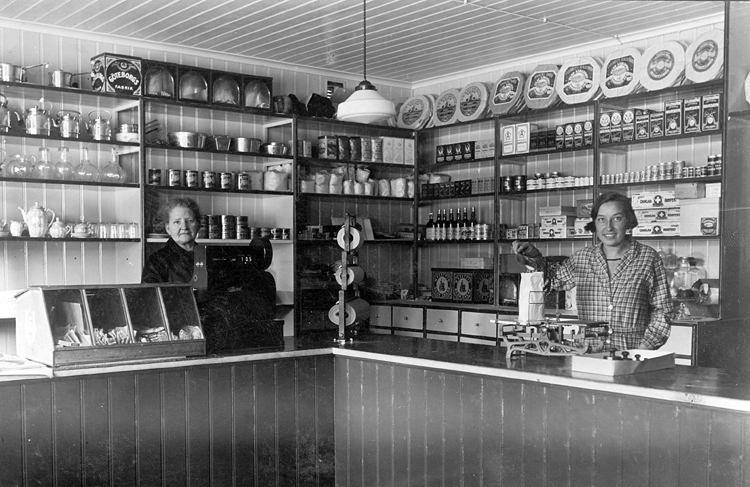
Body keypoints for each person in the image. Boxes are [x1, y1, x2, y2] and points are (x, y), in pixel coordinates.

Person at [513, 192, 673, 351]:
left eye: (617, 218)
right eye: (601, 219)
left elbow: (663, 311)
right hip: (588, 353)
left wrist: (642, 350)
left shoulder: (648, 258)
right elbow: (550, 282)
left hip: (631, 354)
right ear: (595, 223)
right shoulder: (582, 258)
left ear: (629, 220)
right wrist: (535, 257)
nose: (609, 227)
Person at [142, 197, 201, 283]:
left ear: (198, 225)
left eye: (189, 221)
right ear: (168, 228)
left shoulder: (208, 257)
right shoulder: (156, 261)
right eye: (177, 222)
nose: (184, 227)